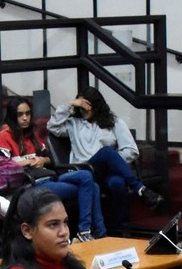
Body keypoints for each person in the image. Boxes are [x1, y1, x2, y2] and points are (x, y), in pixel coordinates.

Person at [48, 85, 164, 223]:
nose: (84, 110)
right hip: (84, 170)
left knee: (117, 182)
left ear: (96, 105)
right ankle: (141, 189)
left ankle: (124, 230)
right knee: (107, 152)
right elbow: (52, 126)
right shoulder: (73, 124)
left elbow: (131, 150)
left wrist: (112, 161)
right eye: (81, 106)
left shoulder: (114, 122)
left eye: (87, 105)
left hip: (107, 172)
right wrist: (70, 104)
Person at [0, 97, 101, 237]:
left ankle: (94, 232)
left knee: (87, 177)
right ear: (12, 115)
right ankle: (88, 231)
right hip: (32, 184)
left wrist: (41, 160)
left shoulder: (32, 133)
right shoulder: (4, 135)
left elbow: (50, 158)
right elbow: (0, 166)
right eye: (20, 114)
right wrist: (26, 162)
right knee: (92, 187)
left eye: (27, 113)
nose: (25, 118)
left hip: (50, 177)